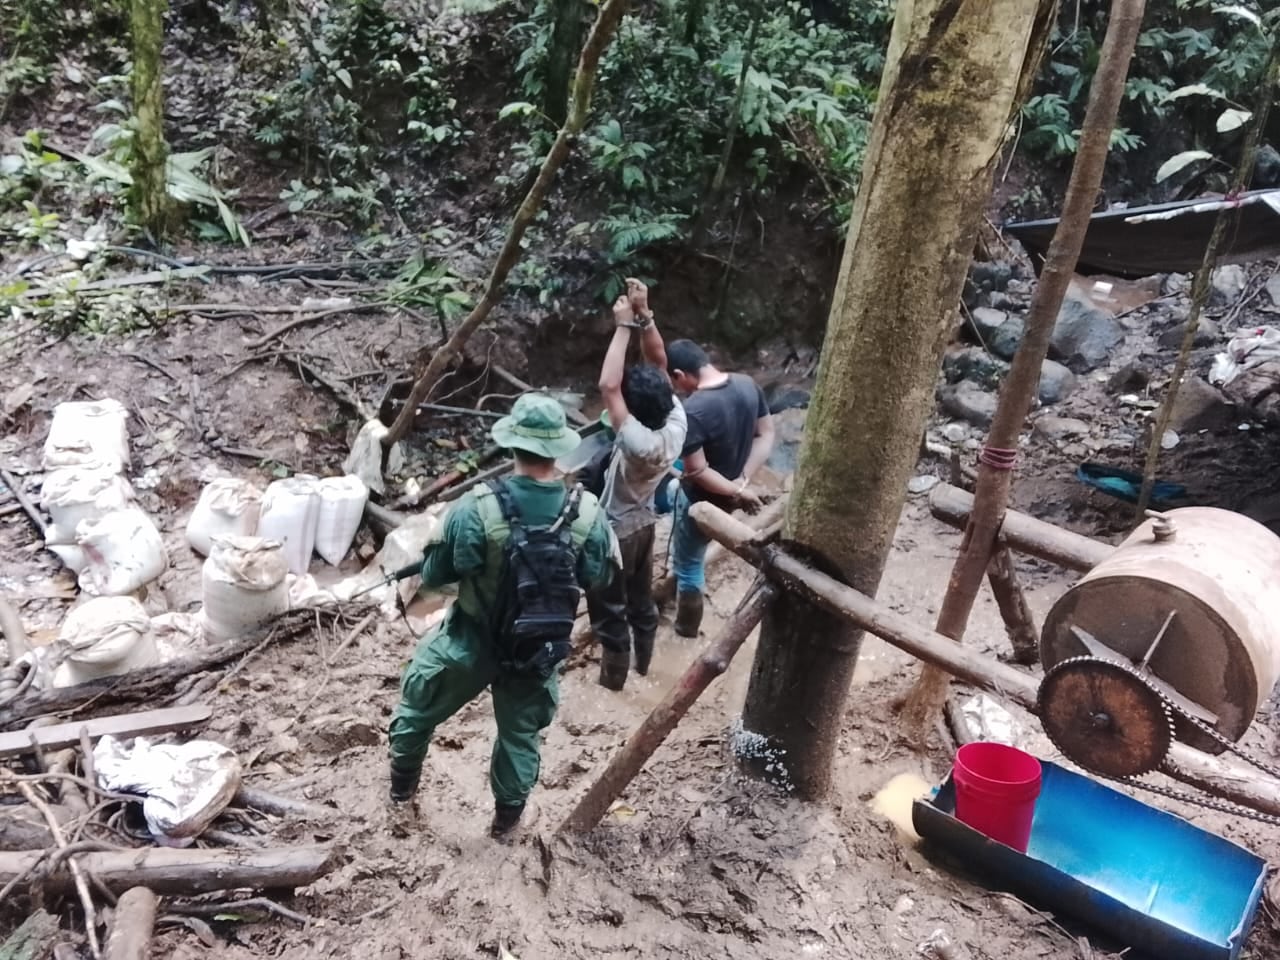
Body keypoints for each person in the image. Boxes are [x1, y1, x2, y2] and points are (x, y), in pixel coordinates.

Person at [387, 393, 619, 838]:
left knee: (416, 709)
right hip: (537, 649)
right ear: (560, 449)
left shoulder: (475, 507)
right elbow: (599, 577)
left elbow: (436, 576)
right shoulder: (588, 513)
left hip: (469, 639)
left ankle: (401, 798)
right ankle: (505, 826)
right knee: (520, 738)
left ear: (512, 446)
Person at [588, 279, 687, 690]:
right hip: (645, 523)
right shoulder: (675, 422)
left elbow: (608, 385)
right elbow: (660, 363)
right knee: (641, 601)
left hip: (614, 531)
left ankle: (613, 684)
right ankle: (644, 666)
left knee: (609, 610)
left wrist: (622, 326)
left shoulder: (635, 442)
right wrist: (645, 315)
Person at [666, 338, 775, 637]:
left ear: (679, 374)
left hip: (703, 503)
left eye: (673, 382)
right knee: (671, 494)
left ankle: (685, 631)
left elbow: (697, 471)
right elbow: (765, 435)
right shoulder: (747, 384)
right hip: (730, 496)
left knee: (689, 567)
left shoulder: (694, 410)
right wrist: (742, 479)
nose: (676, 389)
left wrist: (736, 489)